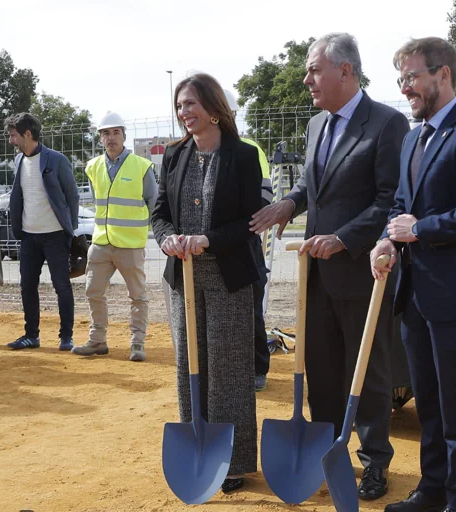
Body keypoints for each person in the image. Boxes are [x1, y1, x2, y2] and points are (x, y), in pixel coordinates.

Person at [250, 32, 409, 501]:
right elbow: (312, 186)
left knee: (369, 371)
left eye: (314, 69)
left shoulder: (387, 124)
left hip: (364, 273)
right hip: (315, 276)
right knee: (320, 368)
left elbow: (389, 200)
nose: (306, 80)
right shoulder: (317, 125)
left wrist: (344, 239)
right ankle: (322, 453)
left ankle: (374, 461)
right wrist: (290, 205)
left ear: (346, 71)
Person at [372, 37, 456, 512]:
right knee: (427, 403)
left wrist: (420, 229)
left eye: (411, 77)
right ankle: (431, 491)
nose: (405, 87)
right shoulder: (413, 137)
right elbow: (401, 206)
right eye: (401, 79)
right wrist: (389, 238)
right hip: (414, 297)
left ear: (442, 74)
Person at [152, 73, 261, 494]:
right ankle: (197, 449)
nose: (184, 113)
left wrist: (208, 239)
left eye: (191, 105)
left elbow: (250, 222)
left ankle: (233, 461)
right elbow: (160, 212)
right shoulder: (174, 156)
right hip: (182, 277)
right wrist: (167, 239)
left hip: (228, 275)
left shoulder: (243, 156)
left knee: (228, 369)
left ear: (214, 108)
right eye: (180, 106)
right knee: (189, 364)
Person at [72, 111, 156, 362]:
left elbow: (154, 203)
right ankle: (97, 340)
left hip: (130, 244)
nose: (111, 138)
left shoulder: (141, 167)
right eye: (106, 133)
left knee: (138, 296)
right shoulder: (93, 166)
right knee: (93, 292)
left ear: (124, 136)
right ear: (100, 138)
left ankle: (137, 343)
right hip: (100, 243)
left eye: (116, 132)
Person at [4, 113, 79, 352]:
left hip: (56, 235)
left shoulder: (56, 159)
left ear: (27, 134)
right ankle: (31, 335)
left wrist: (70, 229)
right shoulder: (18, 161)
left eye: (13, 135)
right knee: (27, 286)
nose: (10, 140)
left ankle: (66, 337)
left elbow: (72, 196)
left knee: (62, 286)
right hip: (28, 236)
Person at [225, 88, 275, 391]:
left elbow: (264, 197)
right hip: (214, 244)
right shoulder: (201, 149)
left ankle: (258, 367)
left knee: (250, 307)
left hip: (244, 242)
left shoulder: (249, 148)